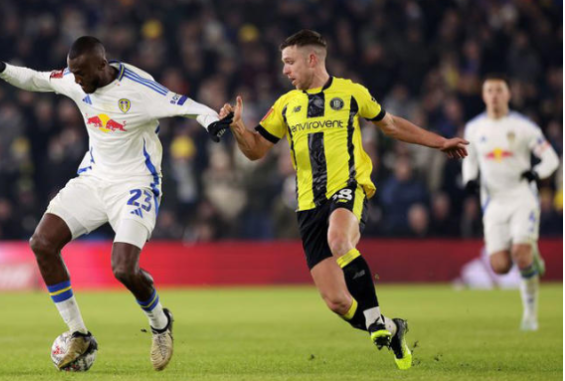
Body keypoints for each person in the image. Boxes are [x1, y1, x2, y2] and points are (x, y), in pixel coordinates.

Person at [0, 36, 232, 371]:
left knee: (124, 269)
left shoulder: (140, 89)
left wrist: (212, 122)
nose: (77, 80)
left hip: (136, 185)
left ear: (102, 65)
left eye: (82, 73)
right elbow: (38, 80)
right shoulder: (76, 79)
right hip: (94, 181)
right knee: (42, 243)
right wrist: (2, 69)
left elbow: (187, 104)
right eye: (73, 74)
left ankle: (160, 323)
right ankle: (78, 333)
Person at [220, 30, 468, 370]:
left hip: (348, 189)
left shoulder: (351, 93)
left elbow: (391, 125)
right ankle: (391, 328)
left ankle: (375, 320)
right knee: (337, 301)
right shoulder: (286, 105)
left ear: (312, 59)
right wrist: (237, 127)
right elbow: (255, 150)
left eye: (289, 62)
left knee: (339, 239)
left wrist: (439, 142)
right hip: (307, 204)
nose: (284, 71)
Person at [462, 74, 559, 331]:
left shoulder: (524, 126)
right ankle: (533, 257)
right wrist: (470, 179)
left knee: (520, 253)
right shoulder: (474, 128)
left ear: (508, 94)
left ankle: (530, 314)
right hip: (492, 202)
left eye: (499, 90)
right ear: (484, 96)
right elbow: (469, 160)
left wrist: (537, 173)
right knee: (501, 266)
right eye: (489, 90)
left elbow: (551, 159)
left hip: (521, 197)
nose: (494, 95)